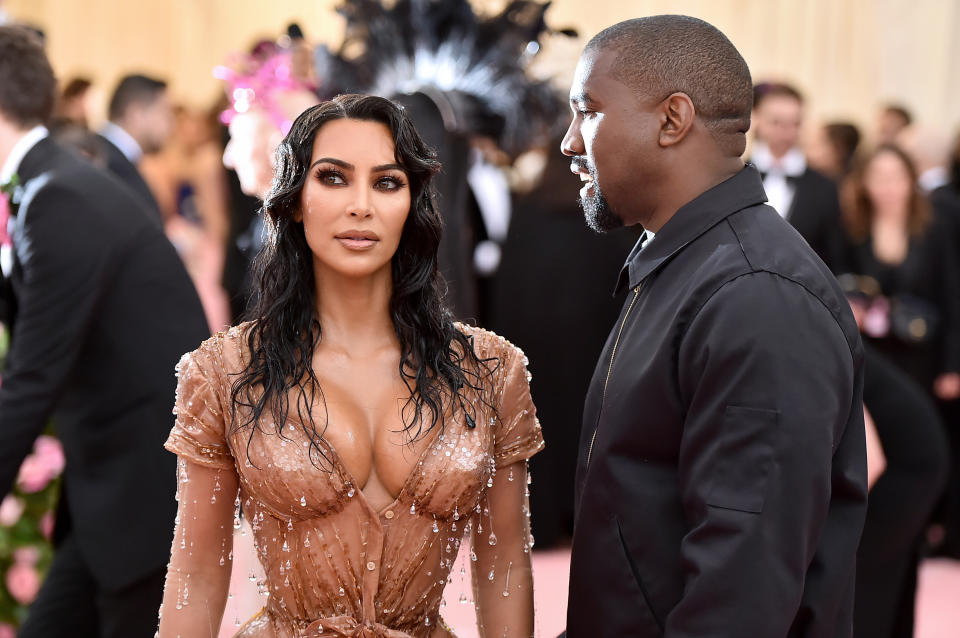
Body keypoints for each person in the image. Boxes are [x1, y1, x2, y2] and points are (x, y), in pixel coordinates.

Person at [156, 94, 543, 638]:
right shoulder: (224, 371)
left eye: (387, 182)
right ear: (293, 198)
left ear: (412, 204)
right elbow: (196, 576)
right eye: (333, 178)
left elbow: (504, 566)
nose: (361, 205)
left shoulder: (489, 370)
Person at [561, 16, 866, 637]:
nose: (569, 142)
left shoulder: (756, 295)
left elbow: (741, 592)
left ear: (672, 120)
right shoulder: (692, 264)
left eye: (586, 111)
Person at [0, 26, 209, 637]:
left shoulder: (57, 196)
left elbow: (33, 375)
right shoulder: (45, 187)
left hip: (147, 488)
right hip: (110, 494)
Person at [836, 144, 960, 401]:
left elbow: (952, 295)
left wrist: (952, 366)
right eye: (879, 178)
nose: (888, 187)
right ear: (864, 182)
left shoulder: (935, 226)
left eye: (896, 177)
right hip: (871, 355)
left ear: (911, 179)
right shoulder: (851, 227)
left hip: (924, 355)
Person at [750, 82, 844, 269]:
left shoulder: (825, 187)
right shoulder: (731, 176)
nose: (785, 132)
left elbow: (834, 255)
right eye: (776, 122)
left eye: (795, 123)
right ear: (756, 119)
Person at [98, 73, 173, 221]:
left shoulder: (113, 155)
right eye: (165, 113)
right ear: (136, 114)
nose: (171, 125)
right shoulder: (108, 163)